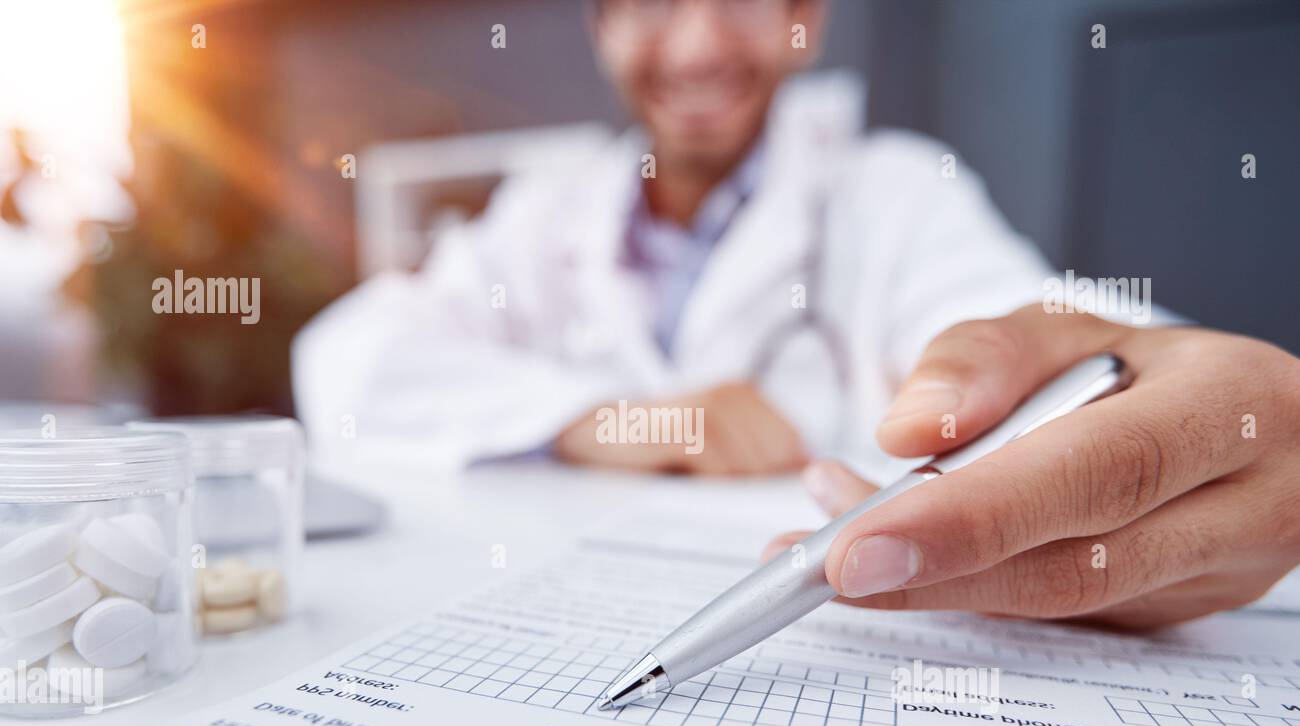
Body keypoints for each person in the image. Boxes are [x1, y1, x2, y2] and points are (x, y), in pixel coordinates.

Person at [293, 0, 1300, 626]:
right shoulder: (544, 214)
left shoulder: (892, 192)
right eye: (648, 2)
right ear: (603, 31)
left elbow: (1014, 322)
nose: (693, 41)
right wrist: (618, 421)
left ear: (802, 19)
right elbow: (347, 357)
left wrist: (1174, 393)